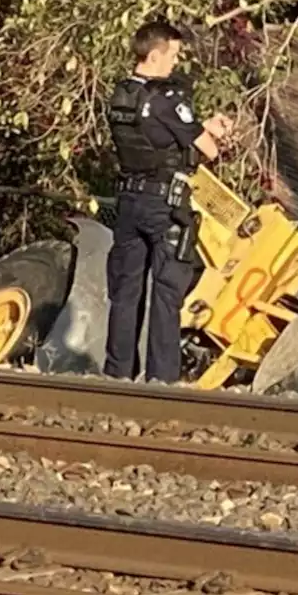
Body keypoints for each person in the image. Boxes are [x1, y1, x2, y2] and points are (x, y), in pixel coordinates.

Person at [103, 21, 233, 384]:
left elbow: (156, 135)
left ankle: (117, 375)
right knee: (167, 292)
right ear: (155, 54)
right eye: (173, 55)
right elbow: (205, 149)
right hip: (164, 206)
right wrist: (211, 133)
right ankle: (162, 380)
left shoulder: (121, 95)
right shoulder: (167, 98)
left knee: (125, 292)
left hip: (128, 200)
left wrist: (198, 125)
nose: (176, 63)